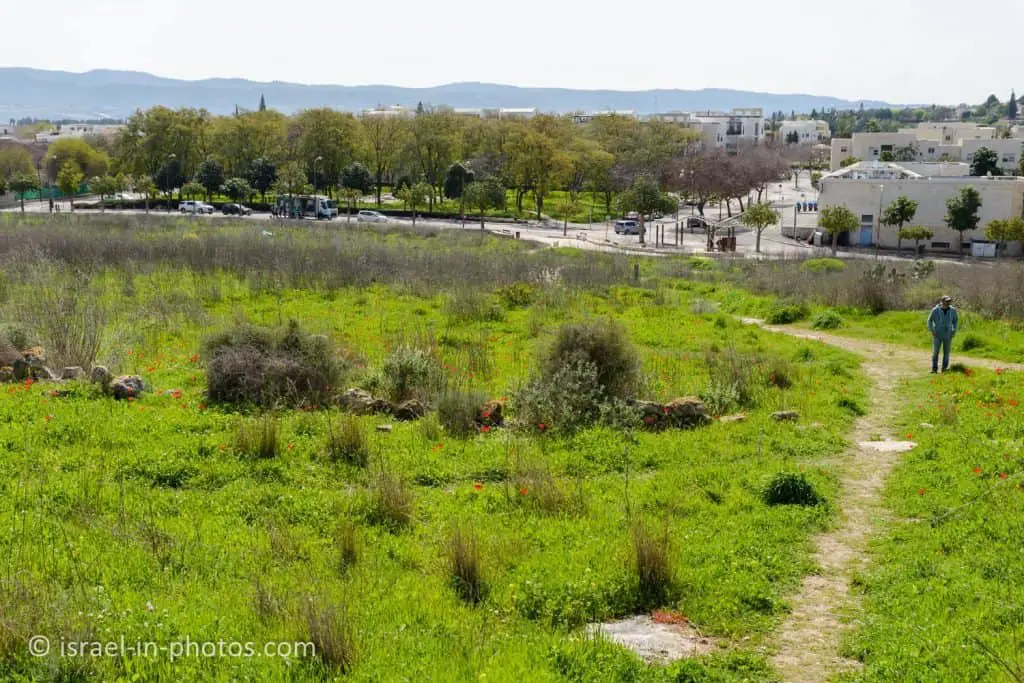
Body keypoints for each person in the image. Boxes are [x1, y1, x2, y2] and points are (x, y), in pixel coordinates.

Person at [927, 296, 958, 373]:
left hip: (948, 334)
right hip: (937, 334)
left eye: (949, 301)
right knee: (935, 352)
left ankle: (944, 368)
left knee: (946, 352)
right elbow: (929, 321)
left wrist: (954, 330)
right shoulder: (935, 310)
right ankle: (934, 369)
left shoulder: (953, 310)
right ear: (942, 301)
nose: (948, 303)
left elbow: (955, 321)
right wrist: (932, 330)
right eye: (946, 301)